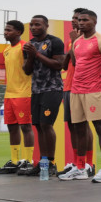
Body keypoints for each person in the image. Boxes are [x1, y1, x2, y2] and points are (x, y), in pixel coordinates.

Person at [59, 10, 101, 182]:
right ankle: (80, 168)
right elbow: (75, 64)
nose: (81, 23)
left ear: (94, 22)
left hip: (94, 91)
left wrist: (100, 85)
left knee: (100, 128)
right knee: (79, 129)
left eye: (85, 20)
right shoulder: (76, 42)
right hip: (76, 90)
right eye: (79, 20)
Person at [21, 15, 65, 176]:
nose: (33, 27)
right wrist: (31, 56)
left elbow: (59, 65)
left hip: (52, 89)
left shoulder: (55, 42)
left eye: (37, 24)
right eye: (31, 25)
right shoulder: (29, 45)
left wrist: (37, 55)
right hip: (36, 90)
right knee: (39, 126)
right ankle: (43, 162)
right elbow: (27, 70)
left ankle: (51, 163)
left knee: (47, 125)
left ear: (46, 25)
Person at [0, 20, 35, 174]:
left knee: (25, 126)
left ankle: (28, 161)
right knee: (12, 127)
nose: (5, 32)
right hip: (9, 94)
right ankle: (14, 161)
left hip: (23, 93)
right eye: (5, 30)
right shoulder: (6, 50)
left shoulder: (24, 47)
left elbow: (28, 70)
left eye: (9, 30)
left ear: (18, 32)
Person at [59, 9, 94, 178]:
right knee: (72, 126)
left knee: (83, 126)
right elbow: (65, 66)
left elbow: (78, 62)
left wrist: (74, 43)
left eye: (78, 18)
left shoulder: (85, 40)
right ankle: (76, 162)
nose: (75, 21)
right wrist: (71, 45)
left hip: (82, 87)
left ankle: (88, 163)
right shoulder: (72, 39)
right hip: (68, 86)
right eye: (73, 18)